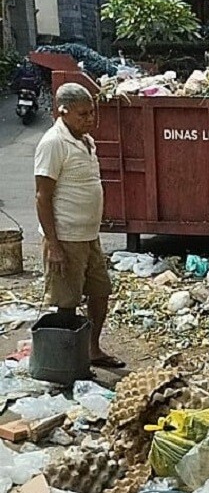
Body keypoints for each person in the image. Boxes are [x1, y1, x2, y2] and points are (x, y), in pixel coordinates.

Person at [34, 83, 123, 369]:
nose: (90, 119)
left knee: (100, 291)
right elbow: (42, 196)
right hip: (66, 236)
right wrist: (54, 246)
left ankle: (92, 350)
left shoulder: (86, 141)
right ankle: (68, 363)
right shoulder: (52, 143)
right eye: (83, 114)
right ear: (64, 112)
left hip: (89, 235)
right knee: (68, 301)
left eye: (92, 113)